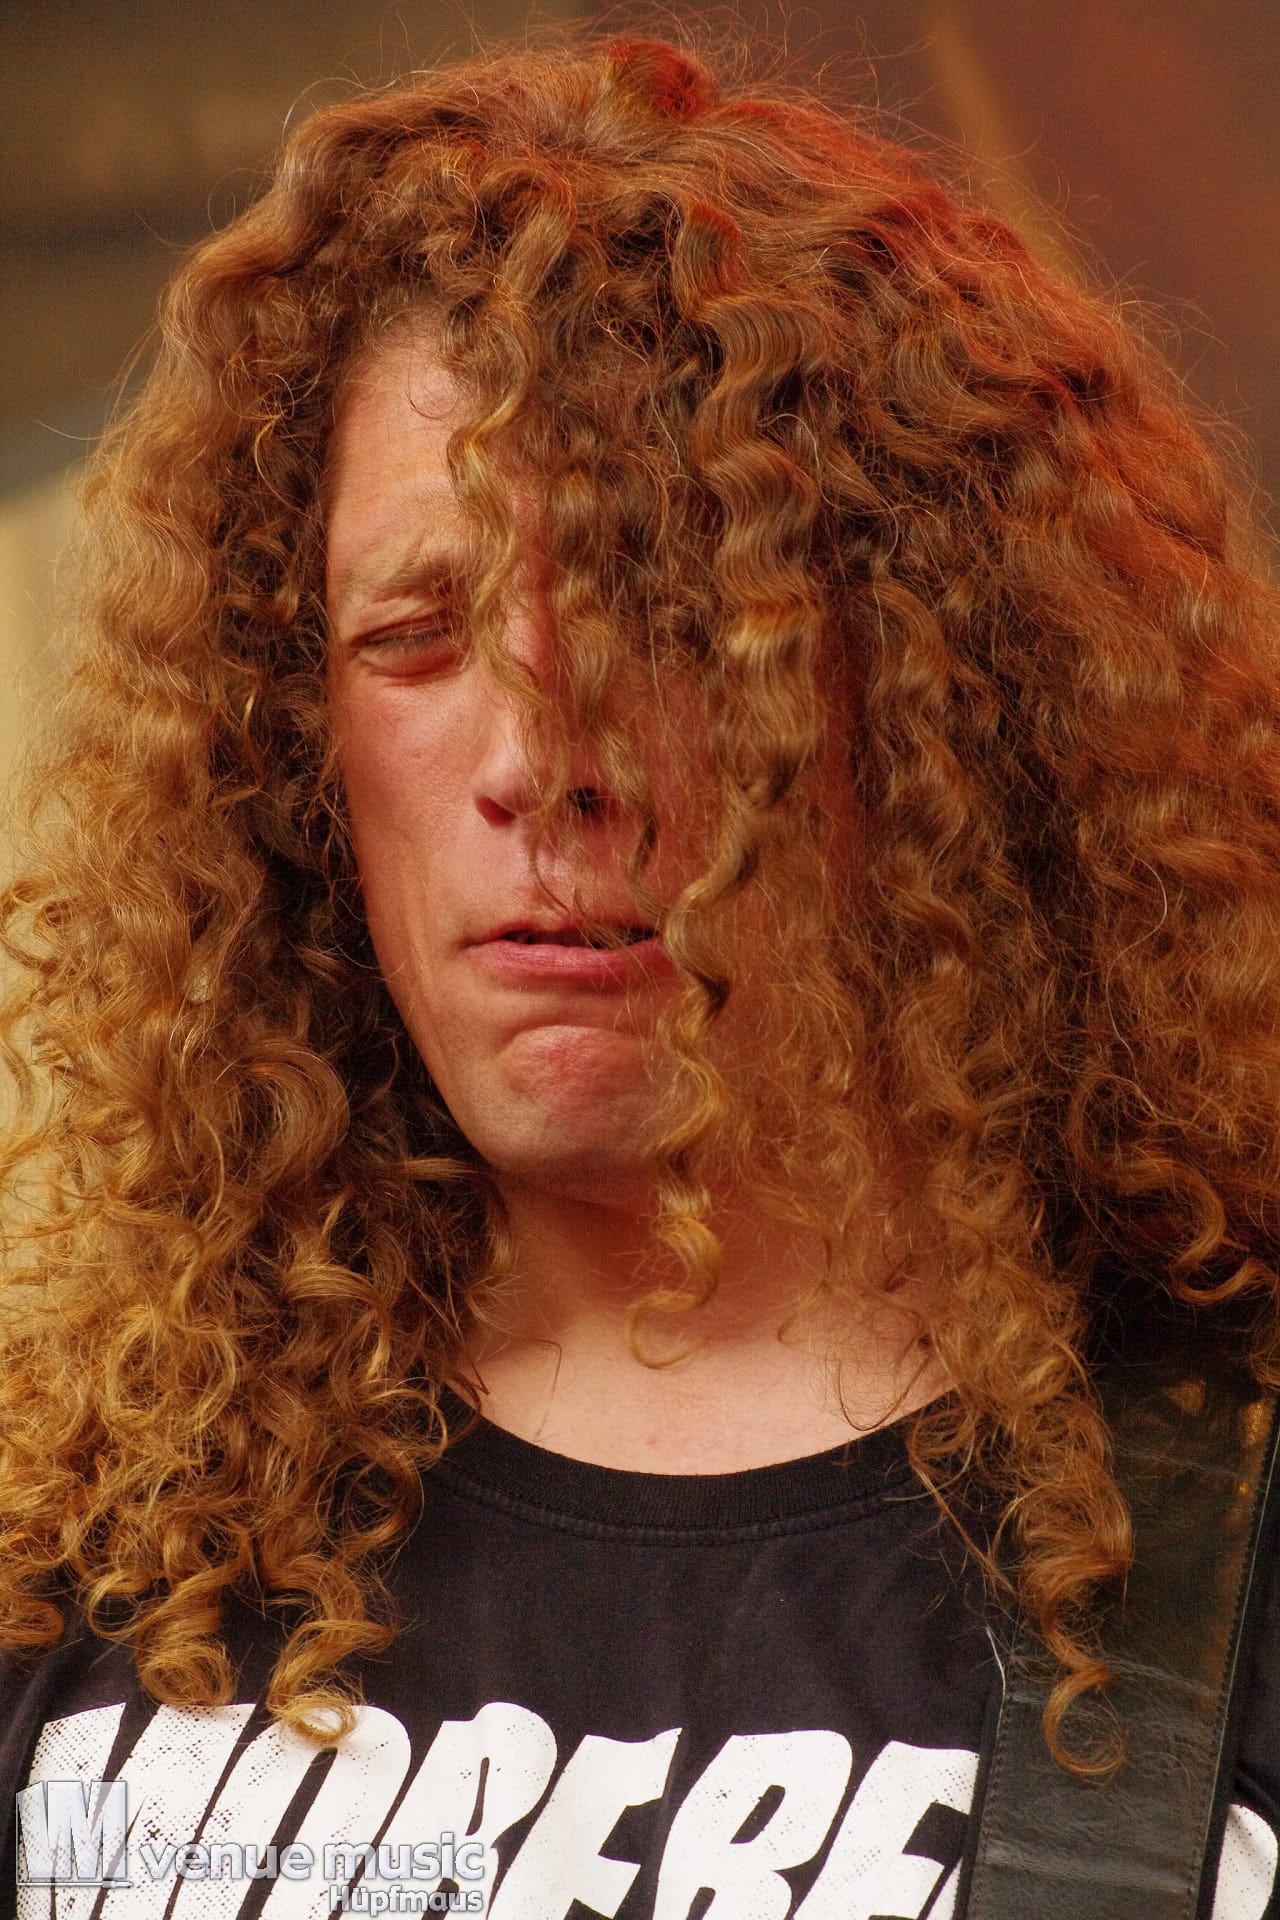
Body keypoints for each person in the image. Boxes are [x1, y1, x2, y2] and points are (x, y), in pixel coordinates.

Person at [0, 29, 1277, 1919]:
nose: (542, 758)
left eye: (671, 613)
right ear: (289, 746)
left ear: (940, 701)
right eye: (416, 632)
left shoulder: (1237, 1543)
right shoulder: (84, 1544)